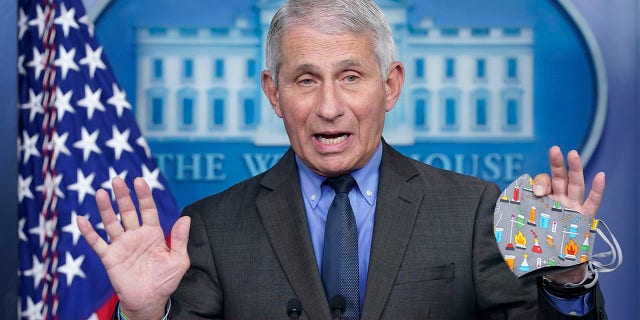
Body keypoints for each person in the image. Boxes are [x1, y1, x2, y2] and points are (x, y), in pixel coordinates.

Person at [77, 0, 608, 318]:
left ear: (390, 85)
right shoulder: (213, 226)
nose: (329, 107)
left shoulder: (472, 211)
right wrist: (143, 314)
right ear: (273, 93)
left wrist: (565, 280)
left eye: (350, 77)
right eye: (306, 80)